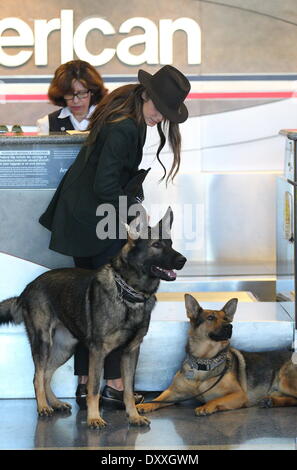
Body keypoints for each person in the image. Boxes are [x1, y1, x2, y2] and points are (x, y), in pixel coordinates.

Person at [39, 65, 191, 409]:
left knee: (90, 308)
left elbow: (112, 182)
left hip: (87, 219)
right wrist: (131, 216)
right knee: (112, 306)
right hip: (93, 221)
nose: (160, 118)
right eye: (160, 110)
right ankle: (112, 385)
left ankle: (85, 385)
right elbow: (105, 186)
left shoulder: (128, 116)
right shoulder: (124, 126)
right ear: (146, 96)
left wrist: (133, 207)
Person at [36, 60, 108, 133]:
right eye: (69, 94)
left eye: (81, 93)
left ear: (92, 91)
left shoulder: (108, 119)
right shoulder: (47, 123)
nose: (75, 101)